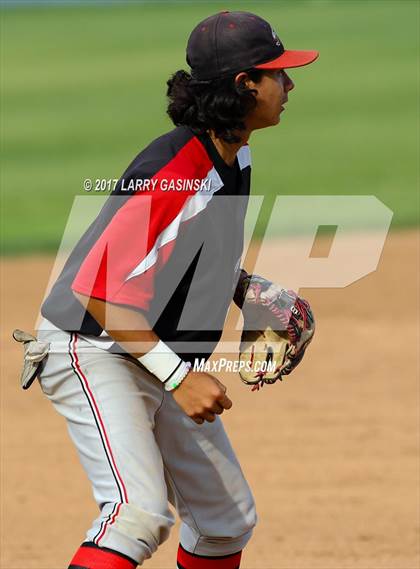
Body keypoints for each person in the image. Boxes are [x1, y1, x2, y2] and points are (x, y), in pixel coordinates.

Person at [35, 11, 318, 569]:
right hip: (93, 346)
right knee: (137, 514)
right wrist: (180, 379)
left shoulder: (233, 153)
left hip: (147, 346)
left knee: (224, 521)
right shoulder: (176, 170)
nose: (289, 85)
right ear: (245, 84)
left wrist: (242, 288)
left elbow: (181, 247)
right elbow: (99, 290)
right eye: (278, 74)